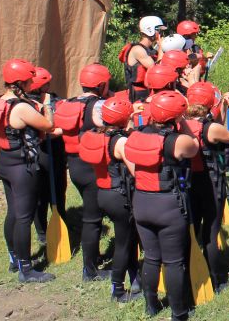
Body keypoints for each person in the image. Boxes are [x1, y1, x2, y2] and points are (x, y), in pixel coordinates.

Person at [0, 59, 61, 282]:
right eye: (28, 81)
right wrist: (47, 105)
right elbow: (48, 125)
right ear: (19, 82)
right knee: (24, 217)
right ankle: (26, 269)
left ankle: (14, 259)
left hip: (5, 162)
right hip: (22, 166)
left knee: (14, 213)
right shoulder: (21, 107)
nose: (30, 84)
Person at [124, 90, 200, 321]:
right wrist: (182, 121)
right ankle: (179, 313)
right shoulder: (177, 141)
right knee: (173, 261)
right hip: (168, 206)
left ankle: (151, 305)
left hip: (142, 202)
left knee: (151, 257)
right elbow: (195, 146)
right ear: (176, 116)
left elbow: (133, 166)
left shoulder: (135, 136)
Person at [52, 62, 113, 280]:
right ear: (102, 84)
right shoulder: (98, 106)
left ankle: (93, 261)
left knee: (93, 213)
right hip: (92, 166)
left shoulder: (68, 103)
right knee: (93, 217)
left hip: (75, 165)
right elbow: (114, 121)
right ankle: (90, 269)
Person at [78, 95, 142, 302]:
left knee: (130, 238)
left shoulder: (95, 134)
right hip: (120, 195)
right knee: (124, 242)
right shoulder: (120, 142)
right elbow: (135, 171)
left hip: (102, 193)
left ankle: (135, 278)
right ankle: (118, 289)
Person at [183, 81, 229, 292]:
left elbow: (214, 124)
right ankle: (217, 279)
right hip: (210, 184)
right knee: (211, 232)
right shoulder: (212, 129)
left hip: (189, 184)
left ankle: (188, 269)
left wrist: (223, 109)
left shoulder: (181, 122)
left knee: (193, 229)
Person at [28, 66, 65, 247]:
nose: (50, 84)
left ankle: (62, 222)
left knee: (59, 188)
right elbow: (44, 130)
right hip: (41, 151)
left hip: (57, 150)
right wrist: (58, 130)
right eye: (47, 82)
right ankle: (42, 231)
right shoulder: (30, 104)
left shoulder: (54, 98)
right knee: (41, 194)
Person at [120, 16, 166, 102]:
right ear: (150, 30)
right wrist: (161, 48)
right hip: (139, 96)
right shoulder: (138, 50)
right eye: (159, 30)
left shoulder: (151, 50)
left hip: (148, 93)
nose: (161, 33)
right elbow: (157, 71)